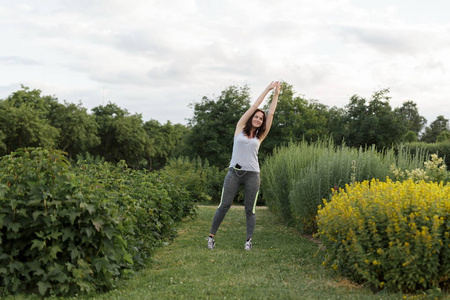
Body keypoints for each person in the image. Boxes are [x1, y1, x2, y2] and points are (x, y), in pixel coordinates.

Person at [207, 81, 281, 250]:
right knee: (224, 205)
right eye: (256, 116)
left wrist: (276, 94)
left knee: (250, 209)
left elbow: (271, 114)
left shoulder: (260, 136)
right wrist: (267, 89)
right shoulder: (239, 129)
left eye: (260, 119)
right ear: (251, 118)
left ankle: (248, 240)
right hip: (234, 173)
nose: (258, 119)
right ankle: (211, 237)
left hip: (252, 175)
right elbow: (255, 105)